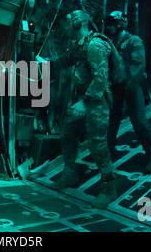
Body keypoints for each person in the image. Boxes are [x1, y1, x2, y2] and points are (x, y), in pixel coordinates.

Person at [54, 10, 117, 209]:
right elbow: (65, 61)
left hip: (97, 101)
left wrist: (84, 102)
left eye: (67, 24)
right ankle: (70, 173)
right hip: (83, 100)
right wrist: (40, 65)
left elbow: (100, 79)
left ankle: (108, 187)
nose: (65, 28)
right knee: (67, 133)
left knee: (97, 145)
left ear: (77, 24)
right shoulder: (79, 45)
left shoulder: (95, 45)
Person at [105, 11, 151, 173]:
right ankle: (109, 150)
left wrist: (127, 85)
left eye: (111, 23)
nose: (108, 27)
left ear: (120, 24)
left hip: (131, 87)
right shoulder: (110, 42)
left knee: (140, 123)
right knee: (111, 122)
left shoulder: (133, 41)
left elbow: (138, 65)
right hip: (116, 88)